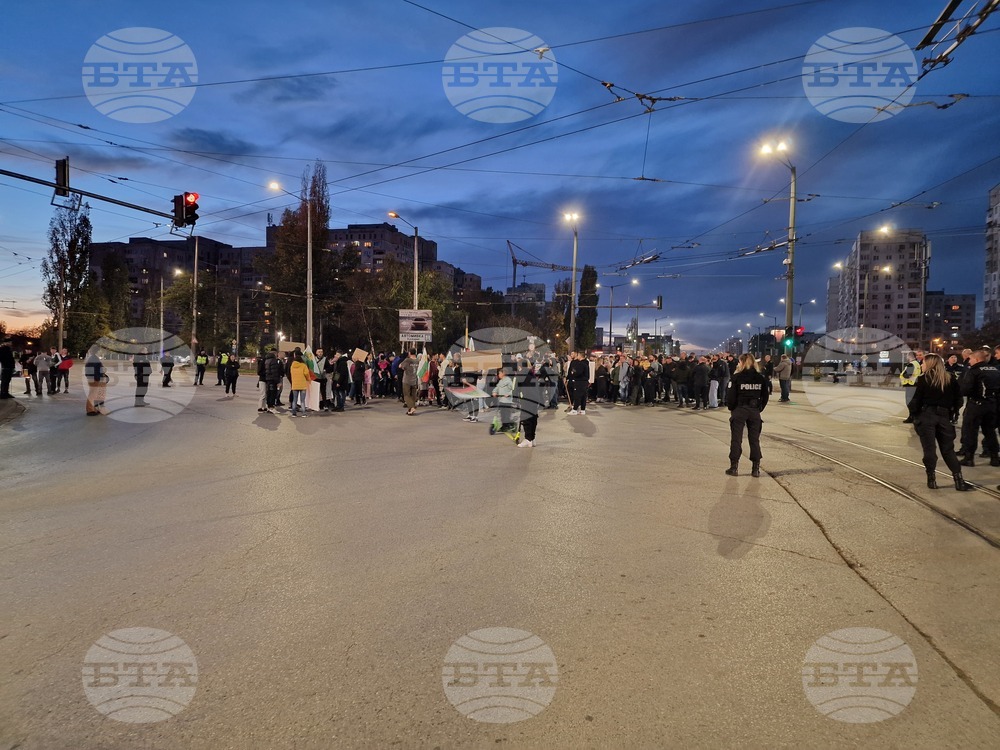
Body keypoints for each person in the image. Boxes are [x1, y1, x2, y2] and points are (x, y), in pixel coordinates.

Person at [908, 353, 971, 491]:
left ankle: (931, 480)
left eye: (923, 363)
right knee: (948, 450)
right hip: (944, 416)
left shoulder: (923, 379)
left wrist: (915, 415)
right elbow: (959, 400)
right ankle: (959, 480)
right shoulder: (950, 378)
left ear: (930, 364)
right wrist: (952, 412)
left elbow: (915, 401)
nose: (922, 365)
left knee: (929, 450)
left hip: (926, 416)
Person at [725, 353, 770, 477]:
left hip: (740, 409)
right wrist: (759, 409)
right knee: (754, 440)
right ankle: (755, 468)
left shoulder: (736, 378)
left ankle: (734, 467)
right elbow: (765, 396)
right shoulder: (760, 378)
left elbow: (730, 397)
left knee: (736, 439)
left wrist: (732, 409)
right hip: (754, 411)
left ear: (742, 363)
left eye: (739, 362)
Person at [957, 348, 1000, 466]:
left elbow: (966, 389)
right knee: (990, 432)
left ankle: (969, 458)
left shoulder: (974, 371)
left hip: (976, 405)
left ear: (976, 359)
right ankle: (995, 457)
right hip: (991, 404)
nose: (969, 361)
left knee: (970, 431)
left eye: (970, 359)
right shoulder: (995, 370)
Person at [491, 365, 515, 433]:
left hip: (507, 401)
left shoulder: (509, 381)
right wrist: (494, 392)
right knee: (502, 414)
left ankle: (507, 426)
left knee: (506, 414)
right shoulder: (501, 381)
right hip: (501, 400)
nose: (498, 374)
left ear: (503, 373)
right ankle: (504, 426)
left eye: (499, 373)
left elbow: (513, 389)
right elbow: (497, 387)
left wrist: (508, 394)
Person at [900, 351, 922, 423]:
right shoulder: (917, 364)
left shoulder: (911, 364)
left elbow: (907, 375)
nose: (906, 357)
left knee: (910, 402)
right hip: (915, 385)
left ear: (909, 356)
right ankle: (915, 417)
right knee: (915, 402)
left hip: (910, 385)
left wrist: (903, 374)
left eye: (907, 356)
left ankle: (912, 417)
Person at [288, 351, 311, 417]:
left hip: (295, 385)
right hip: (302, 385)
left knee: (294, 400)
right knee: (302, 400)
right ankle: (303, 413)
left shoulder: (292, 366)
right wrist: (308, 379)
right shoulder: (303, 365)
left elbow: (290, 373)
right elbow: (306, 373)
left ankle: (294, 413)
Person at [84, 351, 106, 416]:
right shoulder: (94, 359)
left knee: (94, 394)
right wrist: (98, 378)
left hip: (93, 378)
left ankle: (94, 409)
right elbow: (95, 370)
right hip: (95, 379)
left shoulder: (93, 358)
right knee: (92, 395)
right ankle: (90, 410)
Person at [398, 350, 419, 415]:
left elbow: (400, 366)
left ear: (409, 353)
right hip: (414, 379)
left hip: (407, 380)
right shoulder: (418, 360)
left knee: (406, 395)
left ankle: (412, 407)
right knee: (413, 395)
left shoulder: (408, 360)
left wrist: (403, 367)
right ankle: (410, 410)